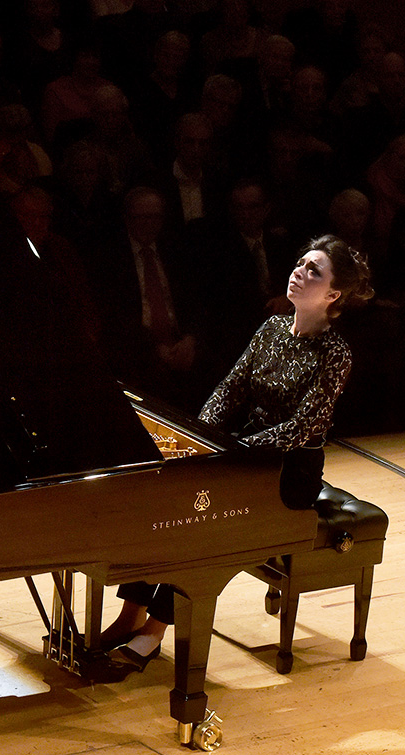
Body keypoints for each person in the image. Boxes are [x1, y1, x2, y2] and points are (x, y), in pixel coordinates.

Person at [92, 234, 373, 677]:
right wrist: (201, 438)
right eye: (300, 263)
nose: (299, 272)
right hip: (245, 452)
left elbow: (303, 427)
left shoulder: (336, 354)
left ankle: (154, 630)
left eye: (313, 271)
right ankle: (130, 616)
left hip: (290, 468)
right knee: (169, 498)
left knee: (202, 523)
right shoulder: (271, 329)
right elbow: (230, 389)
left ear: (334, 294)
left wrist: (236, 454)